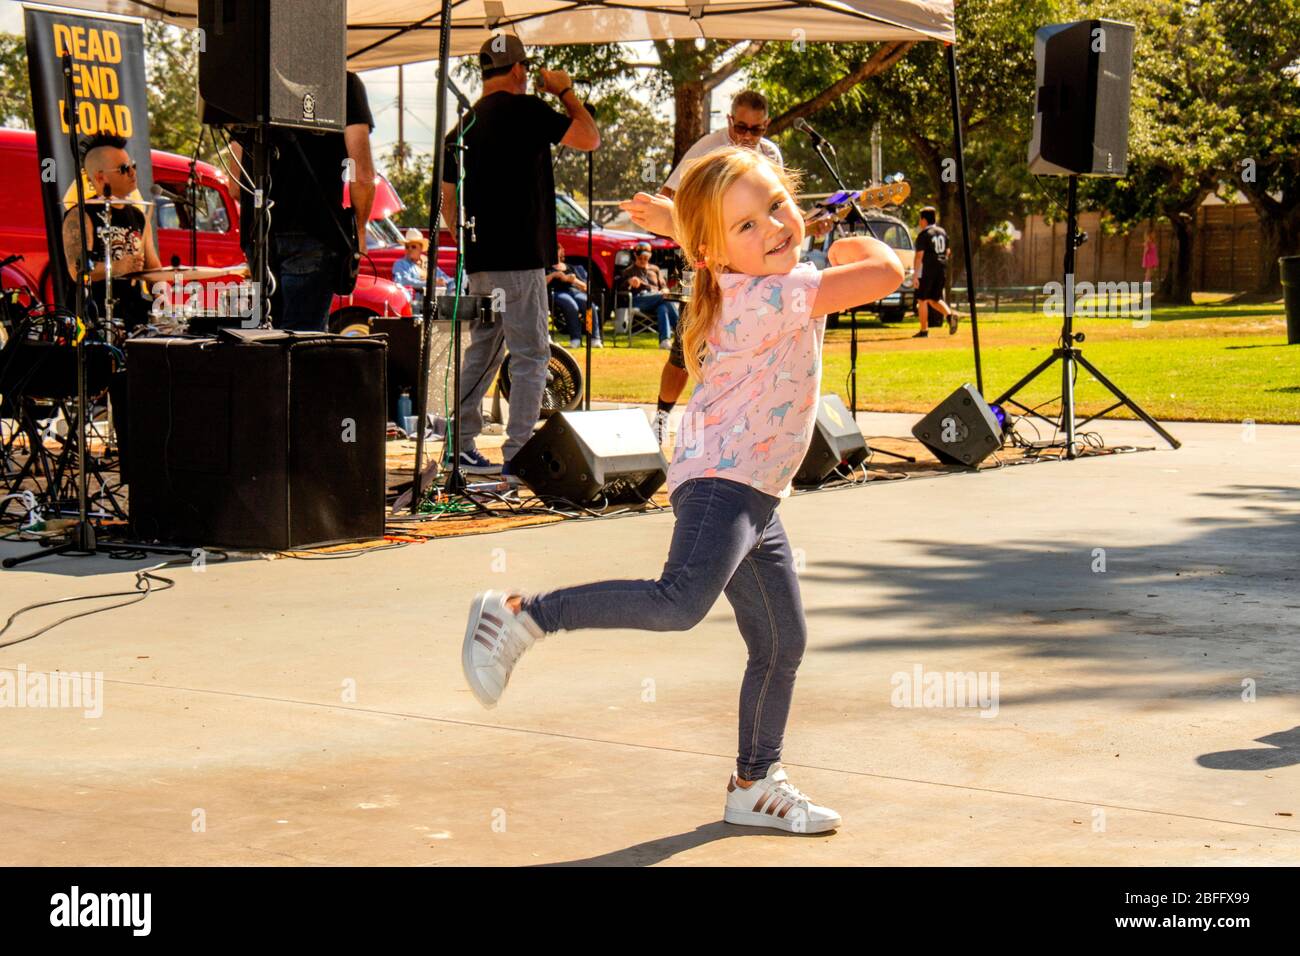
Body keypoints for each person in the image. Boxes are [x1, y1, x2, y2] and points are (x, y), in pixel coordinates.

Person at [459, 146, 906, 833]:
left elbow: (731, 243)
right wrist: (856, 242)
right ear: (718, 256)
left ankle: (755, 783)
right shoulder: (774, 294)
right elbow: (887, 273)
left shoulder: (751, 277)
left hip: (756, 491)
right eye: (749, 227)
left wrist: (696, 225)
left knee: (782, 642)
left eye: (776, 209)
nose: (775, 229)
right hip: (724, 483)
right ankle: (523, 614)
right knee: (678, 603)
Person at [440, 34, 599, 479]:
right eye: (526, 70)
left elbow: (447, 196)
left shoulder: (464, 126)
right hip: (520, 259)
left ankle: (460, 444)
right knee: (531, 355)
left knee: (484, 351)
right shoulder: (528, 111)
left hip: (482, 261)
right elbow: (589, 138)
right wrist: (565, 92)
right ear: (517, 70)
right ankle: (517, 452)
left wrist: (467, 239)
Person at [649, 91, 833, 446]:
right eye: (742, 127)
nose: (748, 136)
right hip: (708, 263)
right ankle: (662, 417)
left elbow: (774, 219)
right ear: (730, 121)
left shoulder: (770, 155)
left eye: (756, 129)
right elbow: (667, 197)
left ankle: (734, 429)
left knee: (738, 350)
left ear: (766, 126)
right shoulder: (708, 148)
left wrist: (806, 227)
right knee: (688, 347)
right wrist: (694, 231)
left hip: (753, 271)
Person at [231, 71, 376, 331]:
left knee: (265, 340)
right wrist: (361, 228)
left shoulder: (251, 80)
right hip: (313, 228)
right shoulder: (343, 84)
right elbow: (361, 174)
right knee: (303, 345)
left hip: (258, 234)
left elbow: (235, 183)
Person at [61, 133, 161, 332]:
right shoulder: (81, 215)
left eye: (133, 166)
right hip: (95, 322)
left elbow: (154, 269)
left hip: (134, 318)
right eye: (124, 169)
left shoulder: (138, 215)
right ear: (100, 176)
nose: (133, 172)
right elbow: (77, 271)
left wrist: (163, 290)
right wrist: (116, 267)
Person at [616, 240, 677, 348]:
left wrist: (665, 290)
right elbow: (620, 289)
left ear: (650, 256)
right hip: (639, 299)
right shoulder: (629, 271)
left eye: (646, 257)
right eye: (641, 257)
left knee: (663, 307)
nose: (643, 260)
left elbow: (663, 286)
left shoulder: (655, 269)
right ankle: (681, 329)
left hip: (657, 298)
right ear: (635, 255)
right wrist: (629, 282)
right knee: (665, 298)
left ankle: (665, 341)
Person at [912, 206, 958, 338]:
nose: (920, 222)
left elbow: (919, 255)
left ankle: (923, 330)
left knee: (922, 300)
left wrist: (915, 275)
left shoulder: (924, 235)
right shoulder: (942, 232)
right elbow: (947, 252)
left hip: (928, 269)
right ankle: (950, 316)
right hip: (942, 267)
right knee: (934, 298)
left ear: (924, 220)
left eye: (920, 219)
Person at [546, 247, 602, 348]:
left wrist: (572, 280)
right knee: (571, 306)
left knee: (589, 305)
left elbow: (585, 287)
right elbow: (541, 282)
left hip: (574, 291)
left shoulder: (570, 267)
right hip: (558, 293)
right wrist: (554, 275)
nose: (560, 252)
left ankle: (594, 337)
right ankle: (576, 338)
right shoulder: (548, 268)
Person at [391, 228, 450, 300]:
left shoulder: (427, 262)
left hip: (434, 300)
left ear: (421, 248)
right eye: (407, 247)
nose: (409, 249)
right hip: (414, 303)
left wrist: (445, 282)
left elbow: (444, 277)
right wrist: (432, 283)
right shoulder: (399, 264)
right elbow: (405, 282)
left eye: (413, 247)